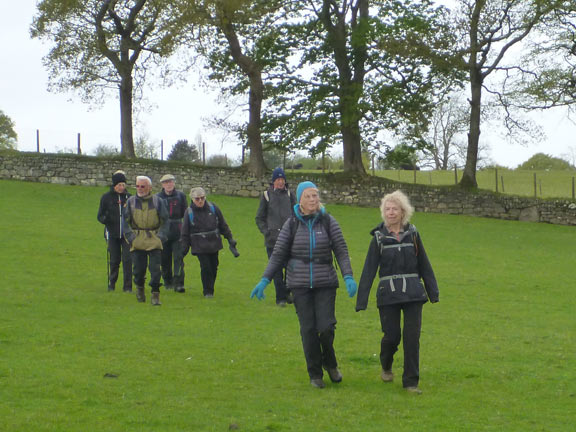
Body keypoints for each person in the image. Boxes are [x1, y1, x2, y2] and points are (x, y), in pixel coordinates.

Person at [251, 181, 358, 389]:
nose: (312, 200)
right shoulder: (291, 224)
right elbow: (278, 255)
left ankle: (330, 363)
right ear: (299, 199)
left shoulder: (328, 221)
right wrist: (264, 280)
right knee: (308, 329)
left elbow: (342, 251)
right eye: (308, 196)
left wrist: (348, 276)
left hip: (325, 281)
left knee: (326, 328)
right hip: (299, 284)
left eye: (315, 196)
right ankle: (315, 373)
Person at [356, 190, 439, 395]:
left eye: (394, 209)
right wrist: (362, 299)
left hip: (413, 294)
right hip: (388, 295)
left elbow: (424, 264)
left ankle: (411, 382)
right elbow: (369, 269)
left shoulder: (413, 235)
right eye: (387, 209)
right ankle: (386, 364)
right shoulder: (378, 238)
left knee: (412, 338)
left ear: (403, 212)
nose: (390, 212)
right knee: (391, 336)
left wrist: (432, 291)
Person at [180, 187, 239, 298]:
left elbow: (222, 224)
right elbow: (185, 233)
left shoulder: (213, 208)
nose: (200, 201)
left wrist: (229, 238)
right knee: (206, 267)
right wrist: (183, 250)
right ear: (192, 199)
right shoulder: (189, 212)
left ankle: (210, 287)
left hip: (214, 243)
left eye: (202, 198)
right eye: (197, 199)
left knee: (214, 266)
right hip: (199, 245)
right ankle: (208, 291)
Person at [124, 176, 170, 306]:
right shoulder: (131, 202)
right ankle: (140, 289)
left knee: (155, 270)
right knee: (138, 270)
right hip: (137, 240)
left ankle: (155, 294)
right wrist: (131, 237)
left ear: (149, 188)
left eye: (142, 186)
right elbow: (125, 222)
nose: (140, 189)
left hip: (153, 239)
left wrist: (160, 237)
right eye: (137, 186)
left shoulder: (158, 202)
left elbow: (165, 220)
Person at [255, 167, 296, 307]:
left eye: (282, 179)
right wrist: (266, 232)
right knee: (276, 270)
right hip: (273, 240)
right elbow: (259, 218)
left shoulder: (290, 195)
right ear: (273, 182)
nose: (280, 182)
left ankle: (287, 291)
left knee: (291, 268)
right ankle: (281, 299)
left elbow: (297, 213)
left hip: (290, 239)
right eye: (278, 179)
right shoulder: (266, 195)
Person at [97, 170, 132, 292]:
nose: (121, 187)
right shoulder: (106, 198)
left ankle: (128, 287)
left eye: (123, 185)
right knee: (114, 260)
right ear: (114, 185)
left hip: (127, 234)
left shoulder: (130, 198)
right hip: (112, 233)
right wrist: (106, 219)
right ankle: (112, 284)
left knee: (128, 260)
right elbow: (99, 216)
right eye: (119, 185)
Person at [156, 174, 188, 293]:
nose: (169, 184)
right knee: (165, 259)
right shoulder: (157, 197)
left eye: (171, 182)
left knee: (178, 258)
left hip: (178, 230)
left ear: (174, 183)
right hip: (163, 231)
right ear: (162, 185)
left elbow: (186, 213)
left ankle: (179, 283)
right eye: (166, 182)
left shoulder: (180, 196)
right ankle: (167, 281)